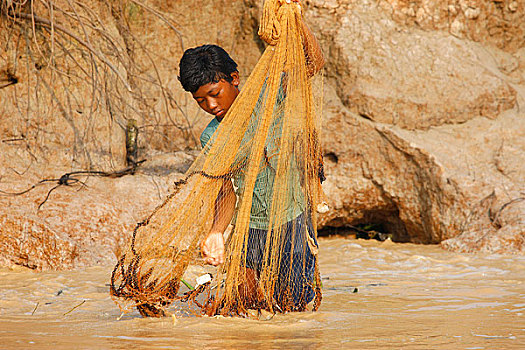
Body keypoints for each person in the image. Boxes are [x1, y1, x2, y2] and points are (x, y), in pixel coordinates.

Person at [178, 2, 324, 311]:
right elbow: (225, 189)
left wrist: (294, 21)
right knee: (242, 306)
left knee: (292, 311)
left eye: (214, 93)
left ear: (234, 78)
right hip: (249, 229)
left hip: (292, 223)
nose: (210, 105)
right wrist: (216, 232)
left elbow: (312, 63)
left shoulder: (270, 96)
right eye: (200, 100)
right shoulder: (212, 135)